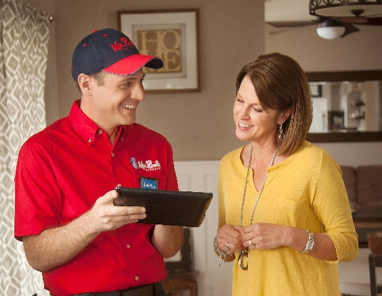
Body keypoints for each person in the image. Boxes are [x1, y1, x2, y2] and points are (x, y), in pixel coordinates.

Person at [14, 28, 184, 296]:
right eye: (126, 83)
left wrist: (167, 215)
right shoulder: (40, 152)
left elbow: (169, 248)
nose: (140, 94)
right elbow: (37, 256)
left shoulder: (156, 146)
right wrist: (93, 222)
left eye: (141, 81)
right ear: (86, 84)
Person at [213, 52, 358, 295]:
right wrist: (222, 242)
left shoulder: (315, 163)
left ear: (284, 114)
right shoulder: (227, 165)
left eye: (256, 108)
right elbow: (226, 252)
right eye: (240, 100)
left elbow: (348, 245)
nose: (242, 114)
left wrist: (287, 235)